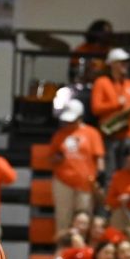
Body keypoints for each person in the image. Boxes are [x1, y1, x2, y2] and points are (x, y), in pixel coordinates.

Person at [48, 100, 105, 234]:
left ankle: (82, 249)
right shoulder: (60, 134)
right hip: (63, 181)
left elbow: (99, 157)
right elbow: (51, 157)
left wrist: (100, 177)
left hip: (85, 182)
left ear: (80, 117)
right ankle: (63, 248)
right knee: (63, 216)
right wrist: (57, 158)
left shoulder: (92, 133)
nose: (69, 124)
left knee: (84, 217)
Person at [92, 48, 130, 174]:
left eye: (126, 62)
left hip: (129, 135)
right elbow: (96, 108)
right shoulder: (101, 83)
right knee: (110, 173)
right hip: (110, 134)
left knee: (129, 172)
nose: (125, 65)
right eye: (121, 62)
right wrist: (117, 104)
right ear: (112, 64)